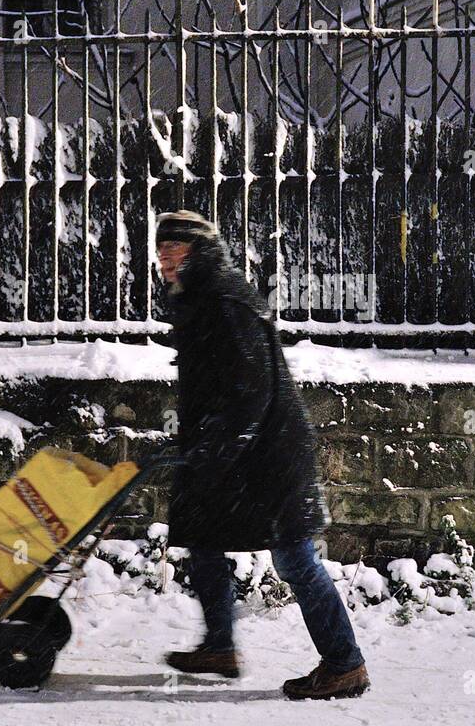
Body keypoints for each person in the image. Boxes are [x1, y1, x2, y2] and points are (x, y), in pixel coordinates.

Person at [154, 210, 370, 700]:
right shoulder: (201, 300)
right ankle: (219, 646)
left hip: (269, 455)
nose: (165, 257)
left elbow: (252, 390)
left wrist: (219, 446)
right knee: (202, 535)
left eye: (176, 248)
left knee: (295, 558)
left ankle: (344, 663)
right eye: (161, 248)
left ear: (200, 252)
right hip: (232, 450)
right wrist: (200, 443)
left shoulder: (228, 301)